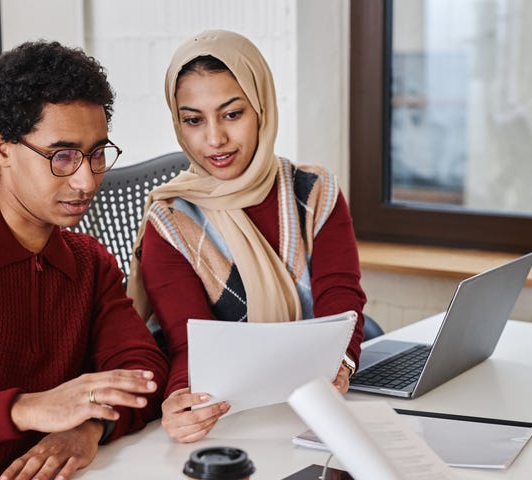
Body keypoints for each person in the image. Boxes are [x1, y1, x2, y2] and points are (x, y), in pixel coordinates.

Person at [0, 41, 169, 479]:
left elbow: (143, 372)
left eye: (96, 153)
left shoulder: (90, 264)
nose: (86, 179)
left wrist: (89, 425)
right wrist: (24, 409)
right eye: (62, 155)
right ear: (1, 148)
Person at [127, 30, 367, 443]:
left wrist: (342, 366)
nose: (215, 138)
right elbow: (189, 340)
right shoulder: (169, 222)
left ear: (261, 109)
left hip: (317, 404)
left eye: (232, 114)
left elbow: (341, 298)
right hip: (238, 416)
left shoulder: (315, 191)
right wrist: (185, 400)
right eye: (194, 120)